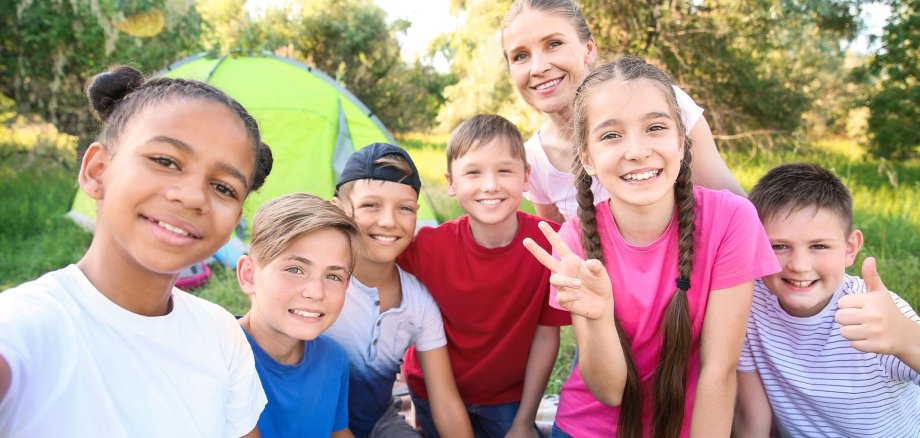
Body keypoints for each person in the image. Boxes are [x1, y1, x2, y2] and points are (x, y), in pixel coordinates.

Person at [0, 65, 273, 436]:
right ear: (98, 171)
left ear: (233, 223)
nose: (193, 196)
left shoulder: (221, 334)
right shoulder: (25, 330)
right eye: (165, 161)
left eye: (223, 188)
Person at [524, 57, 780, 437]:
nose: (637, 151)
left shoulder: (732, 219)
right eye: (611, 135)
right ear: (588, 157)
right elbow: (609, 391)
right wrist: (596, 316)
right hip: (589, 428)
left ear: (680, 141)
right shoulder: (575, 241)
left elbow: (719, 370)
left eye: (655, 127)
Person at [398, 114, 571, 437]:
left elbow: (546, 336)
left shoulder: (550, 245)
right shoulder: (428, 247)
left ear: (526, 177)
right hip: (432, 390)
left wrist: (524, 421)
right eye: (473, 172)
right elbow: (373, 270)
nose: (490, 185)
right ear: (451, 182)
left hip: (509, 398)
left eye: (504, 170)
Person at [501, 0, 744, 224]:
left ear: (589, 49)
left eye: (554, 44)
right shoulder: (535, 158)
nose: (538, 67)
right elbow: (563, 249)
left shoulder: (661, 105)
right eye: (520, 56)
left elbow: (739, 211)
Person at [733, 163, 920, 437]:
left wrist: (906, 339)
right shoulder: (751, 304)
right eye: (779, 246)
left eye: (819, 246)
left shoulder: (877, 312)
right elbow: (753, 420)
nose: (798, 265)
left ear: (850, 248)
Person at [327, 142, 473, 438]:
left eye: (404, 208)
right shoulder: (318, 288)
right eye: (371, 205)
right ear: (338, 209)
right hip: (310, 421)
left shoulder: (418, 302)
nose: (389, 221)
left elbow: (444, 400)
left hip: (377, 421)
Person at [236, 193, 359, 437]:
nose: (316, 292)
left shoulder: (333, 359)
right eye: (295, 269)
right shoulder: (220, 355)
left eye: (333, 276)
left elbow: (337, 431)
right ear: (249, 275)